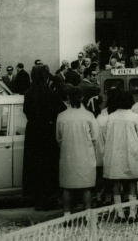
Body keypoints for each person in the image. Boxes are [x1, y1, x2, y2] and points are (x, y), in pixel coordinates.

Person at [23, 64, 66, 211]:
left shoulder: (28, 93)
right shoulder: (51, 93)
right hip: (48, 131)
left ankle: (38, 200)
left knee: (35, 165)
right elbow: (62, 109)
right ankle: (50, 199)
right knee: (49, 165)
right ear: (46, 77)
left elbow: (26, 111)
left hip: (33, 132)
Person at [56, 86, 99, 220]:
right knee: (86, 187)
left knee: (67, 187)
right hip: (85, 155)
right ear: (82, 98)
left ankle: (67, 217)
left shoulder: (61, 116)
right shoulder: (89, 116)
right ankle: (87, 216)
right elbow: (95, 137)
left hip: (67, 156)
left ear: (68, 98)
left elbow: (58, 138)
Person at [103, 91, 138, 223]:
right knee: (132, 181)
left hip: (115, 153)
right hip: (131, 152)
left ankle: (120, 213)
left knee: (116, 182)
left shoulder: (111, 117)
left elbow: (106, 135)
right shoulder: (135, 117)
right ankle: (133, 213)